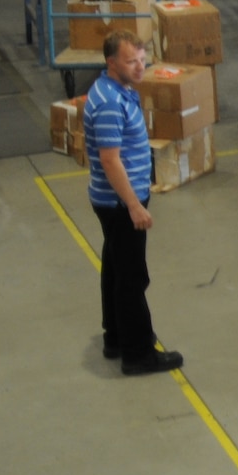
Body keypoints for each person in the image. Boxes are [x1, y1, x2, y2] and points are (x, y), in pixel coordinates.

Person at [84, 30, 183, 376]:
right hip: (119, 203)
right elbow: (110, 160)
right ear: (111, 63)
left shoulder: (117, 90)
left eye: (143, 59)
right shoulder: (111, 102)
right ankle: (138, 353)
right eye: (131, 61)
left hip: (113, 202)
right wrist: (134, 206)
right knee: (131, 278)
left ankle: (115, 337)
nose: (140, 67)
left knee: (114, 268)